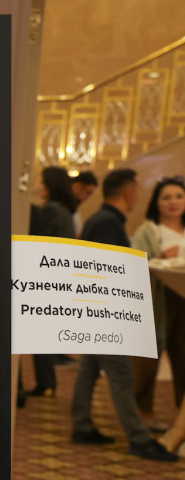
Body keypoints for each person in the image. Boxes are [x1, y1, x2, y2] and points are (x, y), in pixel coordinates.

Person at [70, 168, 178, 462]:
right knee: (122, 375)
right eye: (136, 191)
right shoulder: (108, 223)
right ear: (128, 192)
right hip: (106, 312)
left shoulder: (102, 220)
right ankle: (139, 439)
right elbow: (111, 270)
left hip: (96, 309)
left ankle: (81, 425)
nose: (138, 197)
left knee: (89, 369)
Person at [130, 175, 185, 431]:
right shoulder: (149, 230)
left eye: (179, 196)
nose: (173, 202)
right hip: (158, 302)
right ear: (157, 203)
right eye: (166, 197)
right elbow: (133, 264)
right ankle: (143, 411)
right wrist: (161, 256)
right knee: (148, 361)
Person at [28, 167, 77, 397]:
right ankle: (47, 383)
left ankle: (46, 382)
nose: (39, 186)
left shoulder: (49, 211)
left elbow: (41, 245)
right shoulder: (65, 211)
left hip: (46, 276)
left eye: (42, 182)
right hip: (59, 275)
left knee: (39, 334)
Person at [70, 170, 98, 237]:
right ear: (77, 186)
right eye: (88, 193)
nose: (87, 197)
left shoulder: (74, 210)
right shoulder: (61, 208)